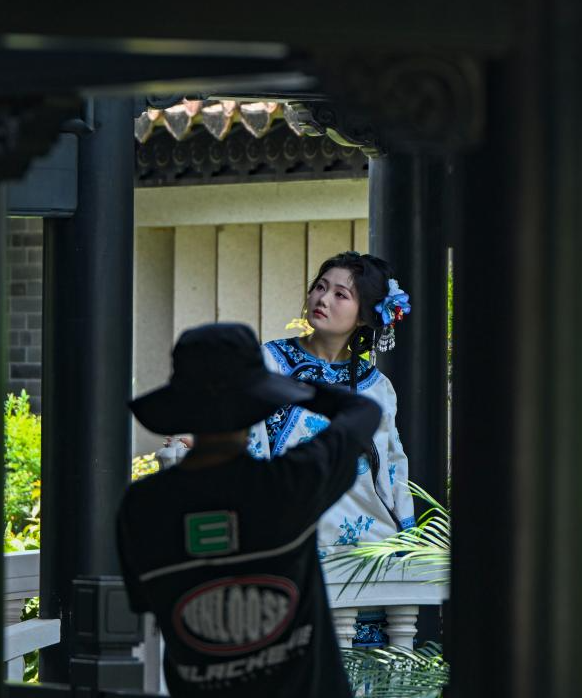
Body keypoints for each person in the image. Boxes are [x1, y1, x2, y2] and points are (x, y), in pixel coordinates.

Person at [117, 322, 381, 698]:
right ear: (259, 401)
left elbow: (147, 602)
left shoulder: (143, 508)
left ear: (181, 405)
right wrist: (299, 389)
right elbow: (363, 411)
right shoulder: (288, 485)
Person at [247, 251, 415, 557]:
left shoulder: (377, 386)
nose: (323, 299)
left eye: (340, 294)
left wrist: (407, 542)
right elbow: (250, 446)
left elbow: (393, 468)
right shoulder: (267, 362)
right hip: (290, 543)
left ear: (363, 315)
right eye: (320, 287)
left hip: (370, 551)